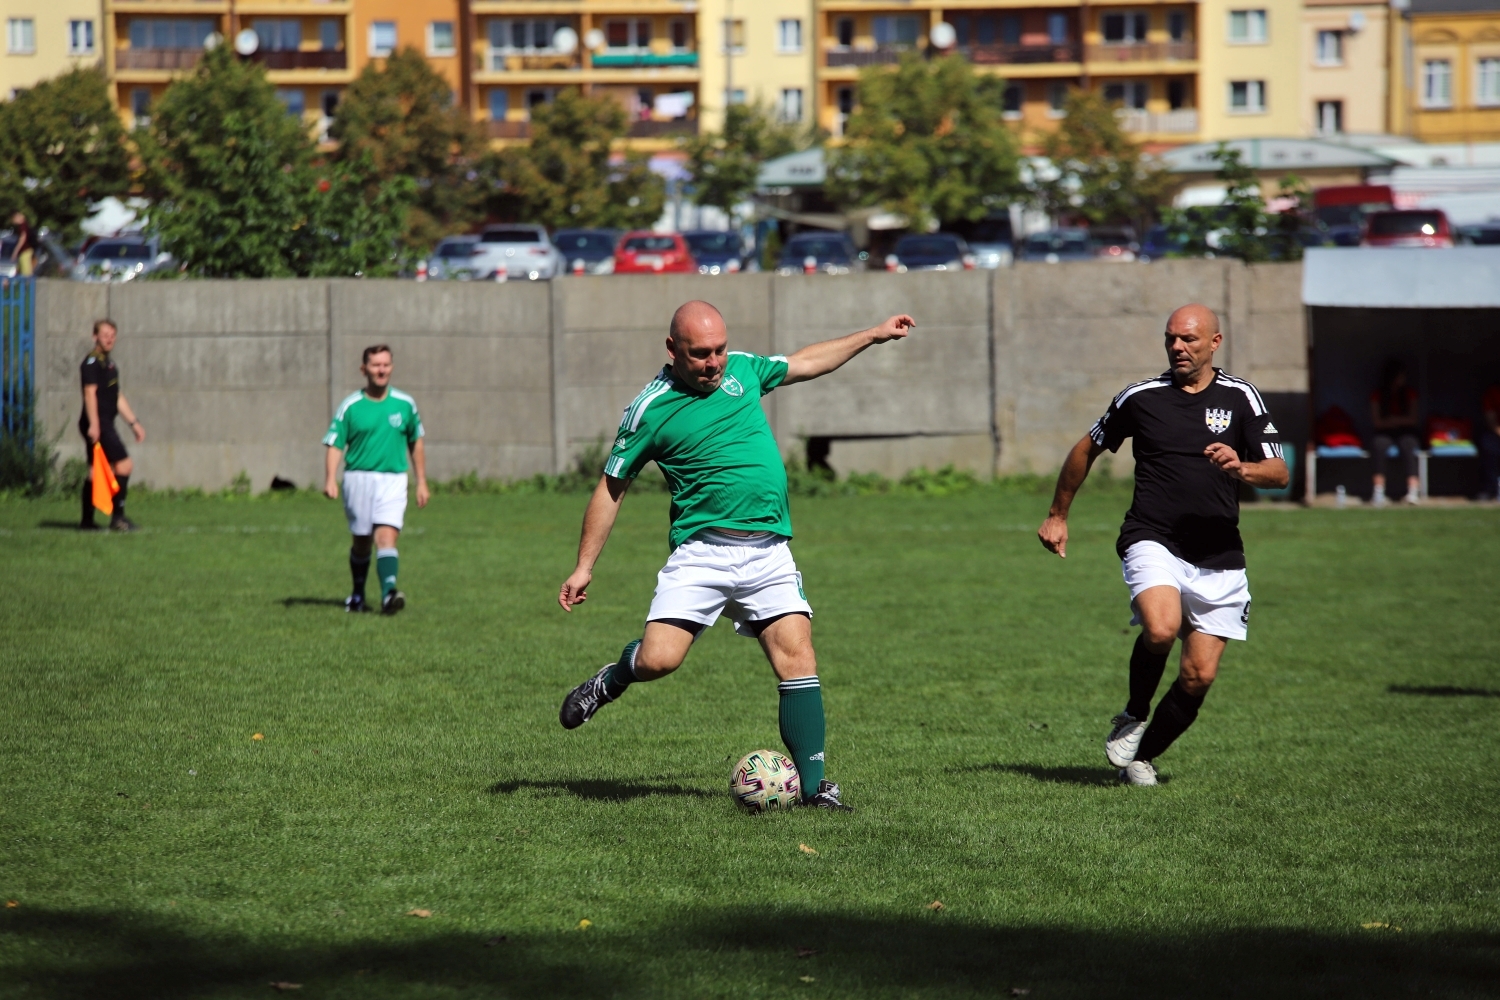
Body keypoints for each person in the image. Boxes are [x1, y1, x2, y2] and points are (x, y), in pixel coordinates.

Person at [555, 300, 915, 810]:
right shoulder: (649, 409)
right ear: (672, 350)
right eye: (700, 354)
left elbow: (804, 363)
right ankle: (613, 678)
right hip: (702, 554)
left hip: (768, 552)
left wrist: (873, 335)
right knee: (659, 660)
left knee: (798, 658)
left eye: (719, 349)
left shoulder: (742, 370)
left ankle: (816, 791)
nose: (713, 362)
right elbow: (611, 487)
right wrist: (585, 565)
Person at [1037, 304, 1288, 787]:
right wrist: (1057, 514)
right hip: (1152, 536)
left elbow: (1278, 473)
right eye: (1171, 338)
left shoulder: (1242, 397)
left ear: (1214, 343)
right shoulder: (1140, 398)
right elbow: (1086, 447)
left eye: (1190, 339)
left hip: (1220, 553)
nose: (1178, 347)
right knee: (1160, 627)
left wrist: (1242, 468)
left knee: (1198, 677)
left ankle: (1141, 757)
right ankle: (1133, 712)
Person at [322, 345, 428, 615]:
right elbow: (335, 444)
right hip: (359, 479)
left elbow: (416, 442)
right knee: (361, 541)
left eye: (386, 365)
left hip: (393, 480)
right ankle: (357, 594)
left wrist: (422, 481)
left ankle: (388, 594)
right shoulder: (351, 406)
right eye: (375, 365)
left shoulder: (405, 404)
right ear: (364, 369)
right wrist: (330, 479)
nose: (382, 370)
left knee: (386, 536)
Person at [79, 319, 145, 531]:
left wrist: (134, 423)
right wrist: (95, 424)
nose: (109, 338)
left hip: (103, 422)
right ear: (94, 336)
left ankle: (87, 522)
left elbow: (117, 396)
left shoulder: (109, 364)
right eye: (105, 334)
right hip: (99, 423)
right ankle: (118, 518)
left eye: (113, 335)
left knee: (94, 472)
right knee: (124, 465)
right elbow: (89, 394)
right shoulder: (91, 363)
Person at [1370, 360, 1421, 506]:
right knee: (1378, 444)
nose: (1402, 379)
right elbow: (1377, 422)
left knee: (1409, 444)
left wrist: (1395, 420)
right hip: (1384, 432)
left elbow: (1413, 419)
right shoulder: (1378, 394)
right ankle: (1378, 491)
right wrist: (1391, 422)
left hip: (1405, 432)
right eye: (1400, 376)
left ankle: (1412, 491)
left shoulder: (1410, 393)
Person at [1479, 382, 1500, 501]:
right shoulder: (1493, 393)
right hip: (1496, 434)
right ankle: (1490, 489)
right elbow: (1491, 421)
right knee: (1488, 444)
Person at [10, 212, 34, 277]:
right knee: (19, 270)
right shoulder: (25, 225)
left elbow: (22, 239)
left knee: (26, 272)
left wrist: (15, 251)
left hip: (25, 250)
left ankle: (28, 285)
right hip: (26, 250)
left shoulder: (23, 227)